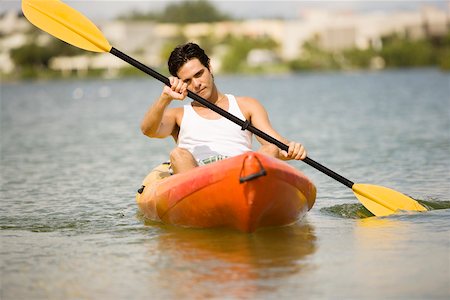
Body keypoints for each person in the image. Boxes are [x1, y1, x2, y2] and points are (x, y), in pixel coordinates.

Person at [141, 42, 306, 174]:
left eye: (199, 74)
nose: (196, 84)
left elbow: (275, 143)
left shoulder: (246, 105)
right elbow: (148, 130)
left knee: (269, 148)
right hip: (197, 183)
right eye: (187, 81)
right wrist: (165, 98)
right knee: (177, 155)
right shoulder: (178, 115)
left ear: (210, 68)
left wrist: (291, 148)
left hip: (242, 177)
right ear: (180, 83)